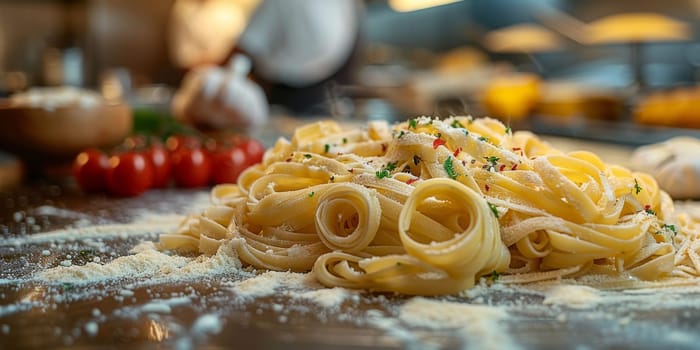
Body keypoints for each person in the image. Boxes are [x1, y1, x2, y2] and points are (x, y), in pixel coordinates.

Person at [169, 0, 362, 129]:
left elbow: (242, 49)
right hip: (326, 90)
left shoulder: (277, 3)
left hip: (284, 96)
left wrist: (208, 82)